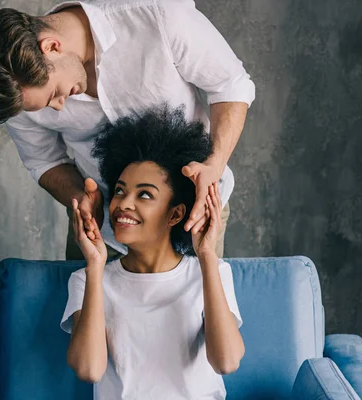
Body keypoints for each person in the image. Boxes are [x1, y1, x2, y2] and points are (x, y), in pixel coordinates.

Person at [0, 0, 256, 259]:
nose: (60, 107)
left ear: (51, 47)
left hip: (193, 217)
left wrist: (214, 163)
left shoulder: (158, 15)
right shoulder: (20, 97)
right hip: (106, 234)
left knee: (198, 320)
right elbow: (44, 161)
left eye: (54, 94)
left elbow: (230, 85)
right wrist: (81, 197)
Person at [61, 105, 244, 399]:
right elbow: (89, 370)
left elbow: (226, 361)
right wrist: (95, 266)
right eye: (120, 190)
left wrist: (207, 256)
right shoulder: (87, 280)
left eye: (144, 194)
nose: (123, 203)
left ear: (175, 215)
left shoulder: (213, 273)